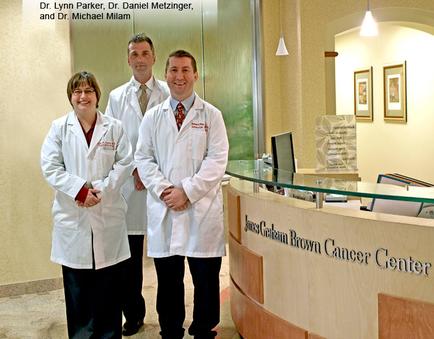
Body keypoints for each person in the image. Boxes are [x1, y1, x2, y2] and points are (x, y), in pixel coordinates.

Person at [135, 50, 229, 339]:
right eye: (174, 70)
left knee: (205, 280)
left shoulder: (212, 115)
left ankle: (203, 330)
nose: (180, 76)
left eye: (186, 70)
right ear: (166, 75)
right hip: (166, 209)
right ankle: (171, 331)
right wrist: (167, 191)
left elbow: (217, 160)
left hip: (201, 210)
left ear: (196, 75)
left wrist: (186, 192)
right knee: (169, 280)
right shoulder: (153, 117)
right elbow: (143, 158)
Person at [40, 71, 132, 338]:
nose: (83, 96)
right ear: (71, 97)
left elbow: (125, 163)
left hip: (108, 215)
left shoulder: (114, 127)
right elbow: (50, 166)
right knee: (78, 292)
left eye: (88, 91)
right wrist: (80, 190)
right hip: (74, 219)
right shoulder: (59, 128)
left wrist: (99, 190)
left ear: (97, 96)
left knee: (109, 290)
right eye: (77, 91)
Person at [105, 33, 169, 336]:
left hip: (159, 186)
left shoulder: (171, 92)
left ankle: (169, 318)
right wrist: (134, 170)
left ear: (154, 57)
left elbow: (172, 142)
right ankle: (133, 314)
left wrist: (150, 172)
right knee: (128, 262)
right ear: (128, 59)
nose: (140, 59)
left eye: (145, 53)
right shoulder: (117, 97)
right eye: (134, 54)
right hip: (130, 188)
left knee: (164, 259)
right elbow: (111, 142)